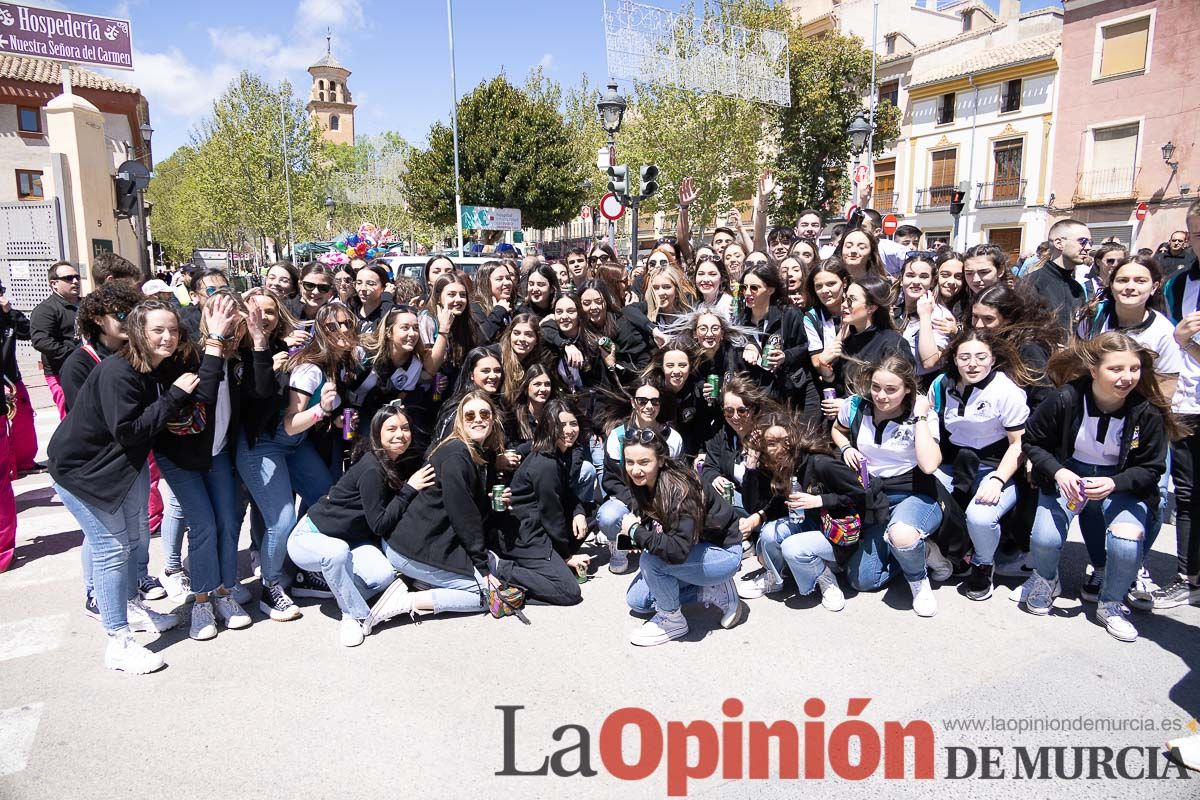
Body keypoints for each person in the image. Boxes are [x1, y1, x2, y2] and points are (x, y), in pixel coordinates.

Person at [48, 300, 192, 673]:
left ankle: (130, 607)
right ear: (138, 332)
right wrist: (175, 396)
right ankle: (118, 640)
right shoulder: (119, 372)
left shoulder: (155, 367)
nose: (167, 337)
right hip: (82, 472)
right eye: (158, 330)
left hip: (120, 468)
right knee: (111, 549)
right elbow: (128, 432)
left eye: (173, 330)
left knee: (132, 540)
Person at [1019, 332, 1176, 642]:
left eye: (1133, 369)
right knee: (1044, 539)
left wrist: (1116, 483)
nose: (1127, 377)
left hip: (1118, 482)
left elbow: (1152, 467)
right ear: (1094, 370)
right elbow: (1033, 441)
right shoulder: (1065, 398)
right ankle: (1046, 580)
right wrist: (1058, 471)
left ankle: (1111, 602)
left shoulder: (1145, 411)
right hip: (1069, 476)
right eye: (1116, 369)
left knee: (1126, 540)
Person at [237, 303, 353, 622]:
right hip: (265, 444)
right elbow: (289, 423)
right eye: (332, 327)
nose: (342, 331)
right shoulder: (310, 368)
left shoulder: (336, 364)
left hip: (295, 444)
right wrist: (322, 411)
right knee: (282, 518)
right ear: (320, 333)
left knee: (324, 496)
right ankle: (272, 586)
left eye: (347, 324)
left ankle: (301, 569)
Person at [288, 402, 436, 646]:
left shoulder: (394, 461)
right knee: (336, 554)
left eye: (405, 428)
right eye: (392, 429)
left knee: (382, 576)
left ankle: (323, 583)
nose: (400, 434)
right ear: (377, 433)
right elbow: (379, 524)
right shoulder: (372, 468)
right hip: (310, 537)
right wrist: (410, 488)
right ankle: (354, 615)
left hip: (350, 540)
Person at [152, 292, 254, 641]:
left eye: (235, 319)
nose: (231, 327)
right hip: (180, 457)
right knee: (204, 525)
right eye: (221, 318)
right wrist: (214, 343)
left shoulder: (240, 359)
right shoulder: (184, 356)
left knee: (228, 522)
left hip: (218, 453)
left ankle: (224, 593)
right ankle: (201, 600)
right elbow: (203, 399)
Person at [373, 391, 505, 625]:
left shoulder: (476, 452)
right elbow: (464, 516)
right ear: (460, 422)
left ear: (493, 419)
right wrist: (482, 569)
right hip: (411, 549)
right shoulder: (456, 456)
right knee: (487, 596)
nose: (478, 419)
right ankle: (405, 601)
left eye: (484, 413)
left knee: (493, 566)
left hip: (427, 542)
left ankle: (426, 582)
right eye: (470, 415)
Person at [831, 357, 946, 615]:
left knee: (902, 534)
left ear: (907, 389)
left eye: (891, 390)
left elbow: (929, 465)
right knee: (862, 580)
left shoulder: (922, 416)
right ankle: (920, 551)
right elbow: (837, 430)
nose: (881, 396)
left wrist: (919, 417)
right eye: (876, 387)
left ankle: (918, 580)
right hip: (875, 499)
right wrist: (846, 447)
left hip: (915, 495)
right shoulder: (855, 407)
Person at [618, 426, 748, 645]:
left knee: (652, 562)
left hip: (723, 553)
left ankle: (672, 621)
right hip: (693, 548)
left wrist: (635, 532)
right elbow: (649, 518)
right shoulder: (643, 481)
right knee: (638, 601)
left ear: (660, 460)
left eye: (643, 462)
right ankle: (710, 590)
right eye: (630, 462)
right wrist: (635, 534)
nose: (635, 470)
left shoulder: (679, 489)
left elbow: (676, 551)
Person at [929, 330, 1031, 601]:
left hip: (996, 467)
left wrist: (998, 480)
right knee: (922, 495)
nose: (972, 364)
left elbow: (1018, 444)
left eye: (980, 356)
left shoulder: (1006, 391)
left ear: (993, 359)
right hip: (955, 464)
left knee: (980, 517)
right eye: (964, 357)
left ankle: (983, 563)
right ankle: (952, 552)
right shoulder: (942, 386)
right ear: (954, 359)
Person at [739, 411, 868, 607]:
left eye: (785, 440)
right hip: (808, 523)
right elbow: (755, 505)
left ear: (794, 437)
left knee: (792, 548)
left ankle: (825, 578)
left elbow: (861, 495)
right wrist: (751, 466)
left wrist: (820, 500)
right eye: (771, 443)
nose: (780, 448)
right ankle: (775, 578)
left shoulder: (820, 463)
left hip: (836, 532)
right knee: (768, 535)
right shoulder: (780, 465)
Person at [492, 398, 589, 605]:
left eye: (573, 423)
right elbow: (551, 515)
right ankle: (501, 568)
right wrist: (566, 556)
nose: (569, 430)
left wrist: (579, 512)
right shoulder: (545, 464)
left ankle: (548, 564)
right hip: (525, 535)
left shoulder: (559, 453)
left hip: (538, 527)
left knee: (590, 515)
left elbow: (566, 494)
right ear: (548, 426)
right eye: (561, 425)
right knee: (569, 592)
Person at [597, 380, 685, 574]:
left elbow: (678, 477)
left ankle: (656, 543)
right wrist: (636, 504)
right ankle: (619, 542)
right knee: (608, 516)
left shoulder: (672, 438)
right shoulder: (617, 436)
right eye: (642, 401)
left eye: (654, 402)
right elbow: (612, 480)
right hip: (628, 498)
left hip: (662, 498)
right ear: (633, 403)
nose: (649, 406)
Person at [29, 261, 81, 419]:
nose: (75, 281)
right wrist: (75, 355)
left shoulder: (85, 304)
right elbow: (41, 340)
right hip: (61, 372)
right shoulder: (46, 309)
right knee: (72, 419)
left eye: (77, 277)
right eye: (69, 278)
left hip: (87, 369)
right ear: (54, 284)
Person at [895, 254, 956, 386]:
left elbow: (929, 361)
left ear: (932, 282)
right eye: (910, 275)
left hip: (921, 386)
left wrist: (925, 316)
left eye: (923, 277)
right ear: (901, 279)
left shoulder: (940, 315)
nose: (916, 281)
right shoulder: (893, 309)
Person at [1025, 218, 1092, 331]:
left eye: (1090, 242)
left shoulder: (1077, 289)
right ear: (1059, 243)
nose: (1088, 247)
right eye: (1083, 241)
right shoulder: (1032, 283)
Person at [0, 281, 36, 472]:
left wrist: (9, 314)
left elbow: (28, 331)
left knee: (24, 417)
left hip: (11, 377)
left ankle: (24, 462)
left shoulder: (8, 315)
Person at [470, 260, 515, 343]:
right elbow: (480, 339)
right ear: (485, 283)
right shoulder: (474, 308)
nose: (507, 283)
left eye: (508, 278)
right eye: (499, 279)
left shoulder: (511, 306)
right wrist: (498, 312)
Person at [351, 263, 392, 335]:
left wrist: (387, 296)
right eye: (359, 283)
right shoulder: (350, 311)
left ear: (384, 287)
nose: (363, 288)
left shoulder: (390, 313)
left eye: (370, 284)